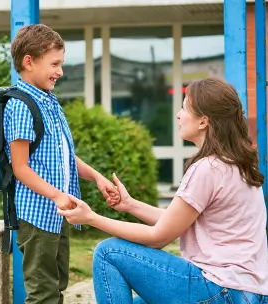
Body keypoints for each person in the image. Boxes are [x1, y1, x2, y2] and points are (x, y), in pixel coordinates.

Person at [58, 78, 268, 303]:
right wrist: (129, 204)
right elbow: (174, 222)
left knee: (108, 253)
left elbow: (158, 237)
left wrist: (91, 218)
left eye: (184, 108)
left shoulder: (208, 168)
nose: (178, 114)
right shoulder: (237, 164)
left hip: (220, 289)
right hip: (248, 293)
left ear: (203, 121)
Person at [4, 24, 120, 304]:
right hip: (37, 215)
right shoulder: (21, 105)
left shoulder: (49, 102)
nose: (60, 71)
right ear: (28, 62)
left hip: (58, 212)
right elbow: (20, 168)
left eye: (61, 64)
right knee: (43, 293)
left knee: (57, 286)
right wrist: (56, 194)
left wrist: (97, 177)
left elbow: (64, 154)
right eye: (54, 64)